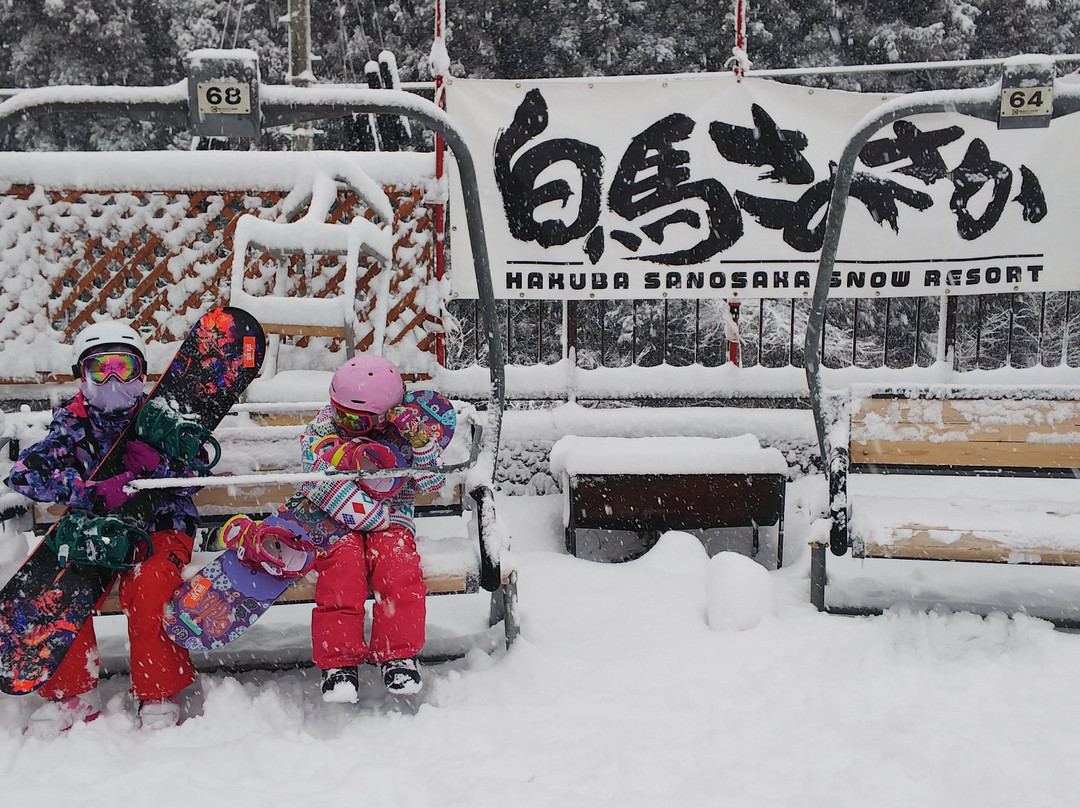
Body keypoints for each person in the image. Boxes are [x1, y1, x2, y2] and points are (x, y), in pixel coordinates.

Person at [5, 321, 200, 734]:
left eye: (123, 368)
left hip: (160, 526)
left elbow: (196, 474)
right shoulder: (72, 424)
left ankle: (158, 690)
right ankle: (73, 693)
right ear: (83, 375)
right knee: (61, 588)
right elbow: (22, 475)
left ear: (140, 374)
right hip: (95, 532)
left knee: (148, 588)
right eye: (101, 368)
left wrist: (157, 468)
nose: (113, 378)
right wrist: (86, 491)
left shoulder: (159, 416)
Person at [297, 354, 444, 703]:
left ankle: (398, 655)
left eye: (355, 419)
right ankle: (339, 663)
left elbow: (432, 479)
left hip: (392, 519)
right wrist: (364, 513)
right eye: (339, 411)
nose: (344, 422)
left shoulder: (404, 432)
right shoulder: (323, 429)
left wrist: (420, 443)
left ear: (384, 416)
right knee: (342, 569)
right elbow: (318, 476)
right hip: (335, 518)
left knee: (398, 567)